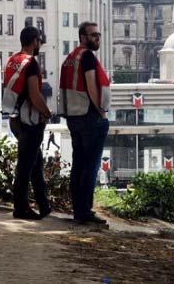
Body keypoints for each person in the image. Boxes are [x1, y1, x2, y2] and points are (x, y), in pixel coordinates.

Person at [58, 21, 111, 225]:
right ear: (82, 37)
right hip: (89, 116)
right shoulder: (87, 56)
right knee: (90, 165)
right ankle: (85, 211)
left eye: (98, 35)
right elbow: (91, 85)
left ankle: (78, 210)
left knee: (79, 164)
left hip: (74, 116)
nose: (97, 38)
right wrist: (101, 112)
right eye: (92, 35)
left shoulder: (70, 58)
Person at [3, 26, 52, 220]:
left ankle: (44, 204)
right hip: (29, 120)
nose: (40, 44)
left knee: (34, 162)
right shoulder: (31, 63)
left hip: (15, 119)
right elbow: (34, 94)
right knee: (25, 166)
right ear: (34, 41)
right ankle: (20, 208)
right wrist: (46, 112)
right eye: (39, 40)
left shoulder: (13, 60)